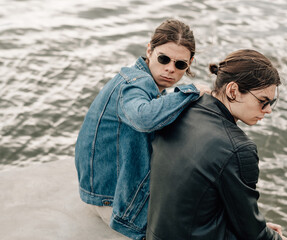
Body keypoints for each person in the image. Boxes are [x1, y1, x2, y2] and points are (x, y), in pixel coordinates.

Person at [75, 19, 209, 240]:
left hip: (98, 191)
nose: (170, 69)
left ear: (190, 63)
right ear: (149, 50)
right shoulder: (136, 83)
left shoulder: (140, 80)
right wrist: (191, 90)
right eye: (164, 59)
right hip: (110, 201)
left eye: (180, 65)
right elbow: (143, 118)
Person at [146, 49, 287, 240]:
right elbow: (251, 232)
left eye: (273, 102)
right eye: (263, 101)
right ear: (233, 90)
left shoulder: (182, 107)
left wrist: (257, 226)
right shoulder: (238, 148)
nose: (269, 110)